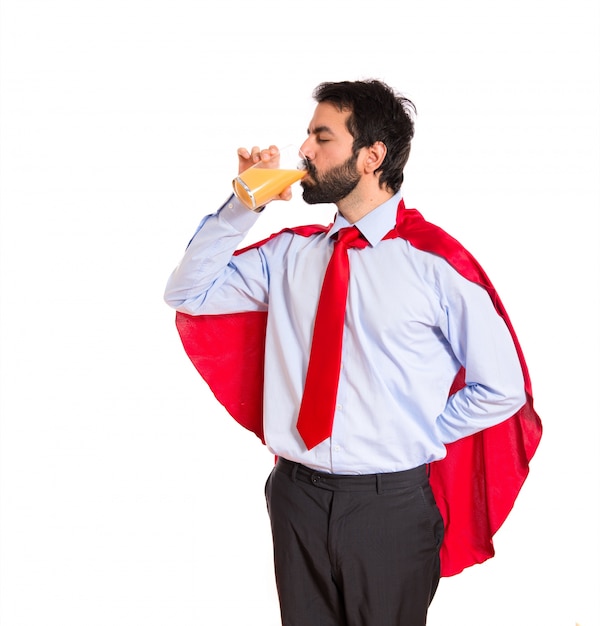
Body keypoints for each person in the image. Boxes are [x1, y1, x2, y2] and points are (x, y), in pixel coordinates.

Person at [164, 79, 542, 626]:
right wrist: (244, 204)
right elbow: (188, 293)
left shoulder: (435, 262)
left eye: (322, 137)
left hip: (390, 507)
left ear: (372, 156)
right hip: (297, 497)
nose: (304, 152)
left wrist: (414, 431)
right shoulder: (290, 254)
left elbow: (502, 388)